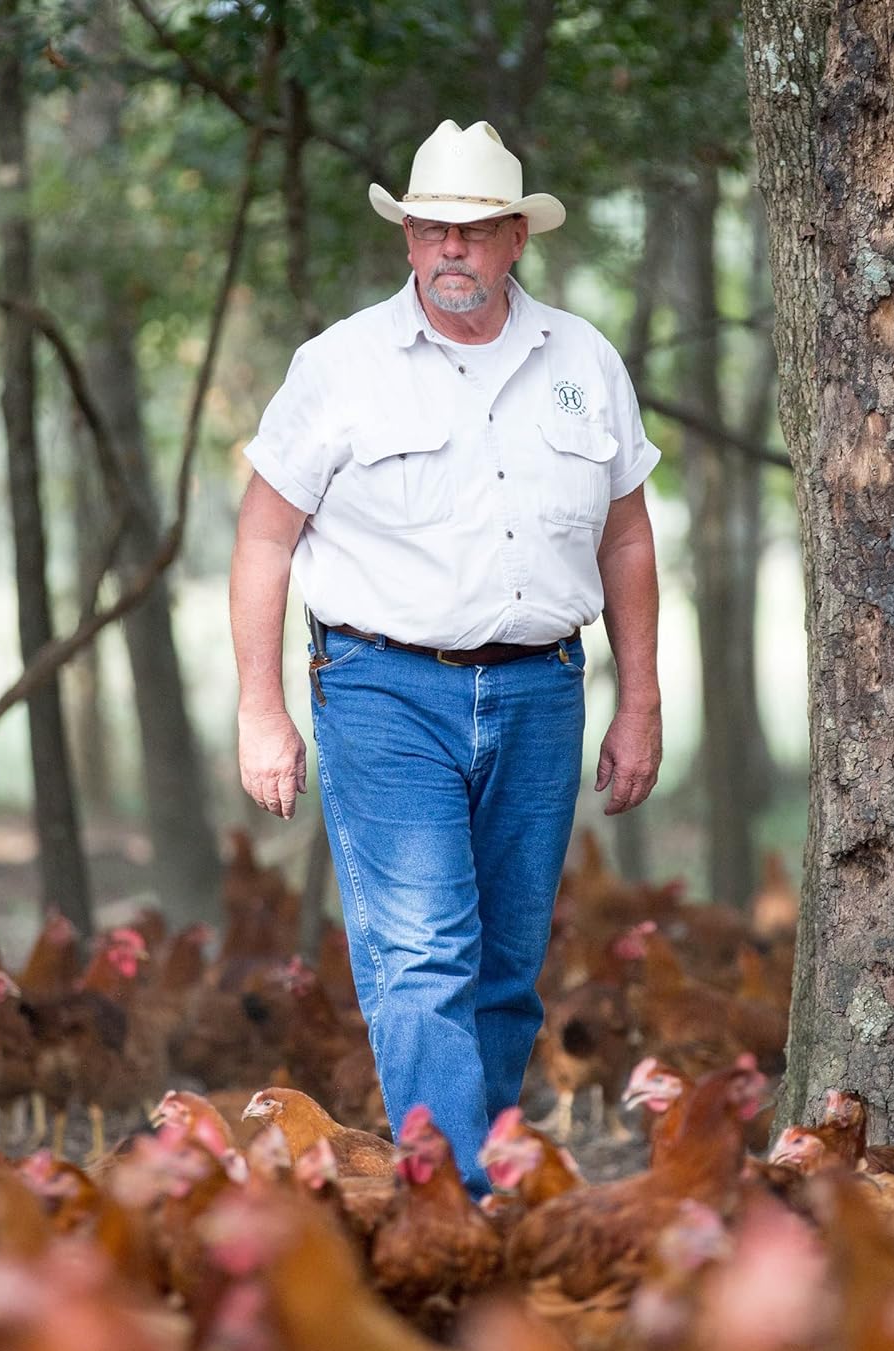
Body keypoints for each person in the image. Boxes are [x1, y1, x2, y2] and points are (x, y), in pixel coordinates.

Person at [230, 119, 662, 1194]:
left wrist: (642, 702)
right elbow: (262, 536)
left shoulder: (584, 362)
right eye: (431, 230)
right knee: (423, 959)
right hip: (383, 690)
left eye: (473, 232)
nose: (450, 251)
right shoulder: (340, 367)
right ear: (407, 238)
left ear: (518, 237)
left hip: (540, 691)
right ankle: (464, 1207)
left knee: (508, 973)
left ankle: (479, 1174)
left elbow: (627, 537)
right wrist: (261, 708)